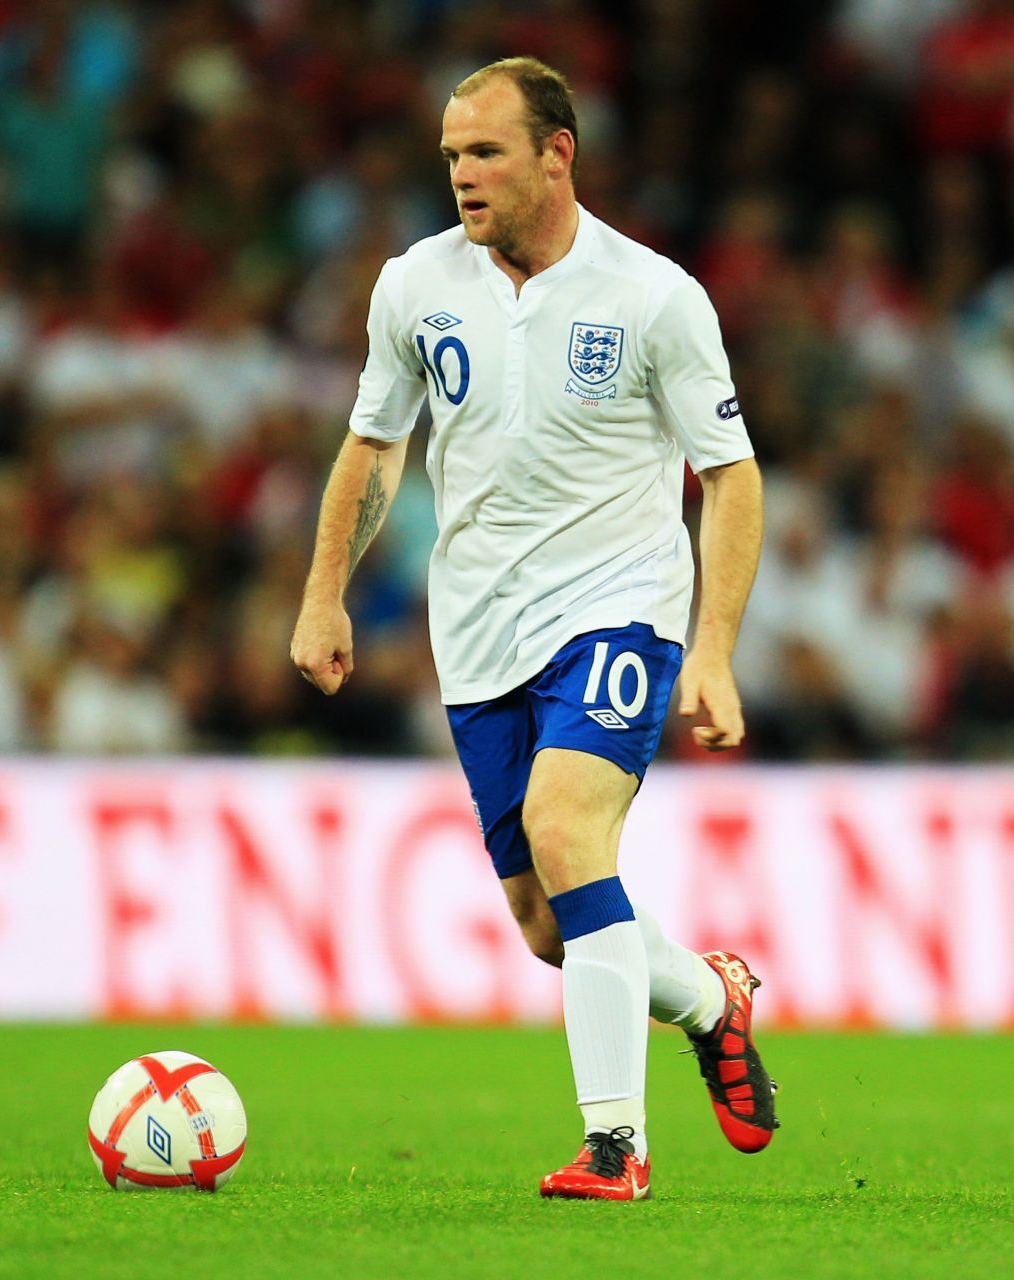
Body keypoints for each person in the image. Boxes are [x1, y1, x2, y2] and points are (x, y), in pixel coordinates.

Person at [290, 57, 776, 1201]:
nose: (462, 175)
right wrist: (324, 590)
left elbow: (734, 476)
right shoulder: (416, 284)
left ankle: (617, 1142)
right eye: (452, 155)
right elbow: (373, 445)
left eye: (487, 152)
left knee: (568, 826)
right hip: (479, 627)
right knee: (549, 926)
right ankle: (713, 998)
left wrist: (711, 646)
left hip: (621, 605)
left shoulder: (655, 295)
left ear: (558, 154)